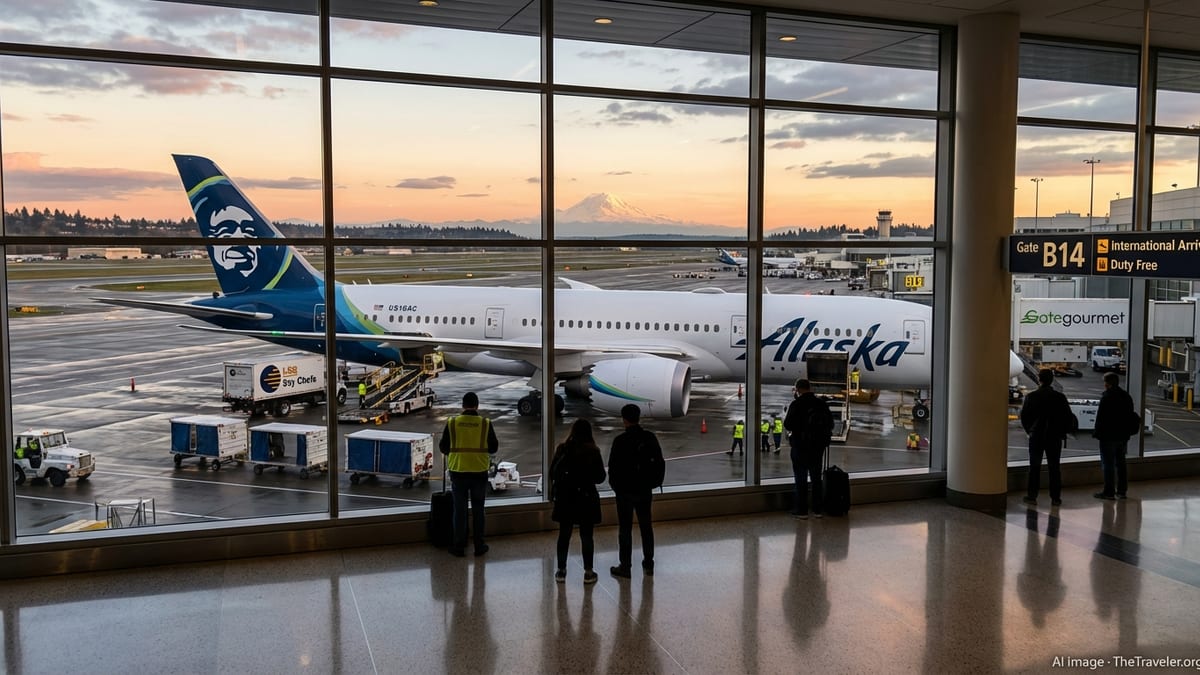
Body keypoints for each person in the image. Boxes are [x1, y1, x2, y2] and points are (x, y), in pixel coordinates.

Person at [439, 391, 499, 557]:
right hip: (479, 472)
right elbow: (494, 447)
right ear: (477, 406)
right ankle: (479, 545)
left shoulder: (452, 423)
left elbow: (443, 447)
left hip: (458, 471)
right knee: (479, 509)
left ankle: (459, 546)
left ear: (463, 406)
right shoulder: (485, 423)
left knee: (460, 510)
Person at [608, 404, 664, 578]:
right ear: (639, 417)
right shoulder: (649, 438)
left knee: (624, 529)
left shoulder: (620, 441)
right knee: (646, 526)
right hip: (644, 490)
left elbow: (613, 468)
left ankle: (625, 566)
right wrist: (653, 482)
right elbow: (659, 462)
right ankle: (649, 563)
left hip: (624, 492)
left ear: (624, 419)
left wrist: (616, 487)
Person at [549, 419, 606, 584]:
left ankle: (561, 571)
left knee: (564, 535)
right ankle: (588, 572)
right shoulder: (593, 451)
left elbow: (553, 472)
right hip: (586, 498)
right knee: (587, 536)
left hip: (566, 497)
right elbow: (600, 477)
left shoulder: (563, 449)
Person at [1019, 368, 1076, 507]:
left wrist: (1030, 431)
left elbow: (1024, 417)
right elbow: (1067, 417)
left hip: (1037, 436)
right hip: (1054, 437)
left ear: (1039, 379)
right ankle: (1055, 497)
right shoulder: (1060, 397)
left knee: (1035, 467)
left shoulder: (1032, 396)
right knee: (1054, 468)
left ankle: (1032, 496)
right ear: (1051, 380)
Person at [783, 379, 832, 519]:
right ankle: (817, 510)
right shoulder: (821, 404)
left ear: (797, 389)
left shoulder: (797, 404)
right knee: (816, 478)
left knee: (801, 478)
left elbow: (788, 424)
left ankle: (802, 510)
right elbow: (830, 424)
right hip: (817, 447)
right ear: (810, 388)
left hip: (800, 445)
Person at [1093, 371, 1135, 500]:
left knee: (1108, 464)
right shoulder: (1126, 396)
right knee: (1121, 463)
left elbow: (1101, 418)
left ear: (1108, 384)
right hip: (1122, 435)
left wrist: (1097, 433)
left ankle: (1109, 491)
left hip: (1108, 436)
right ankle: (1122, 491)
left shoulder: (1107, 397)